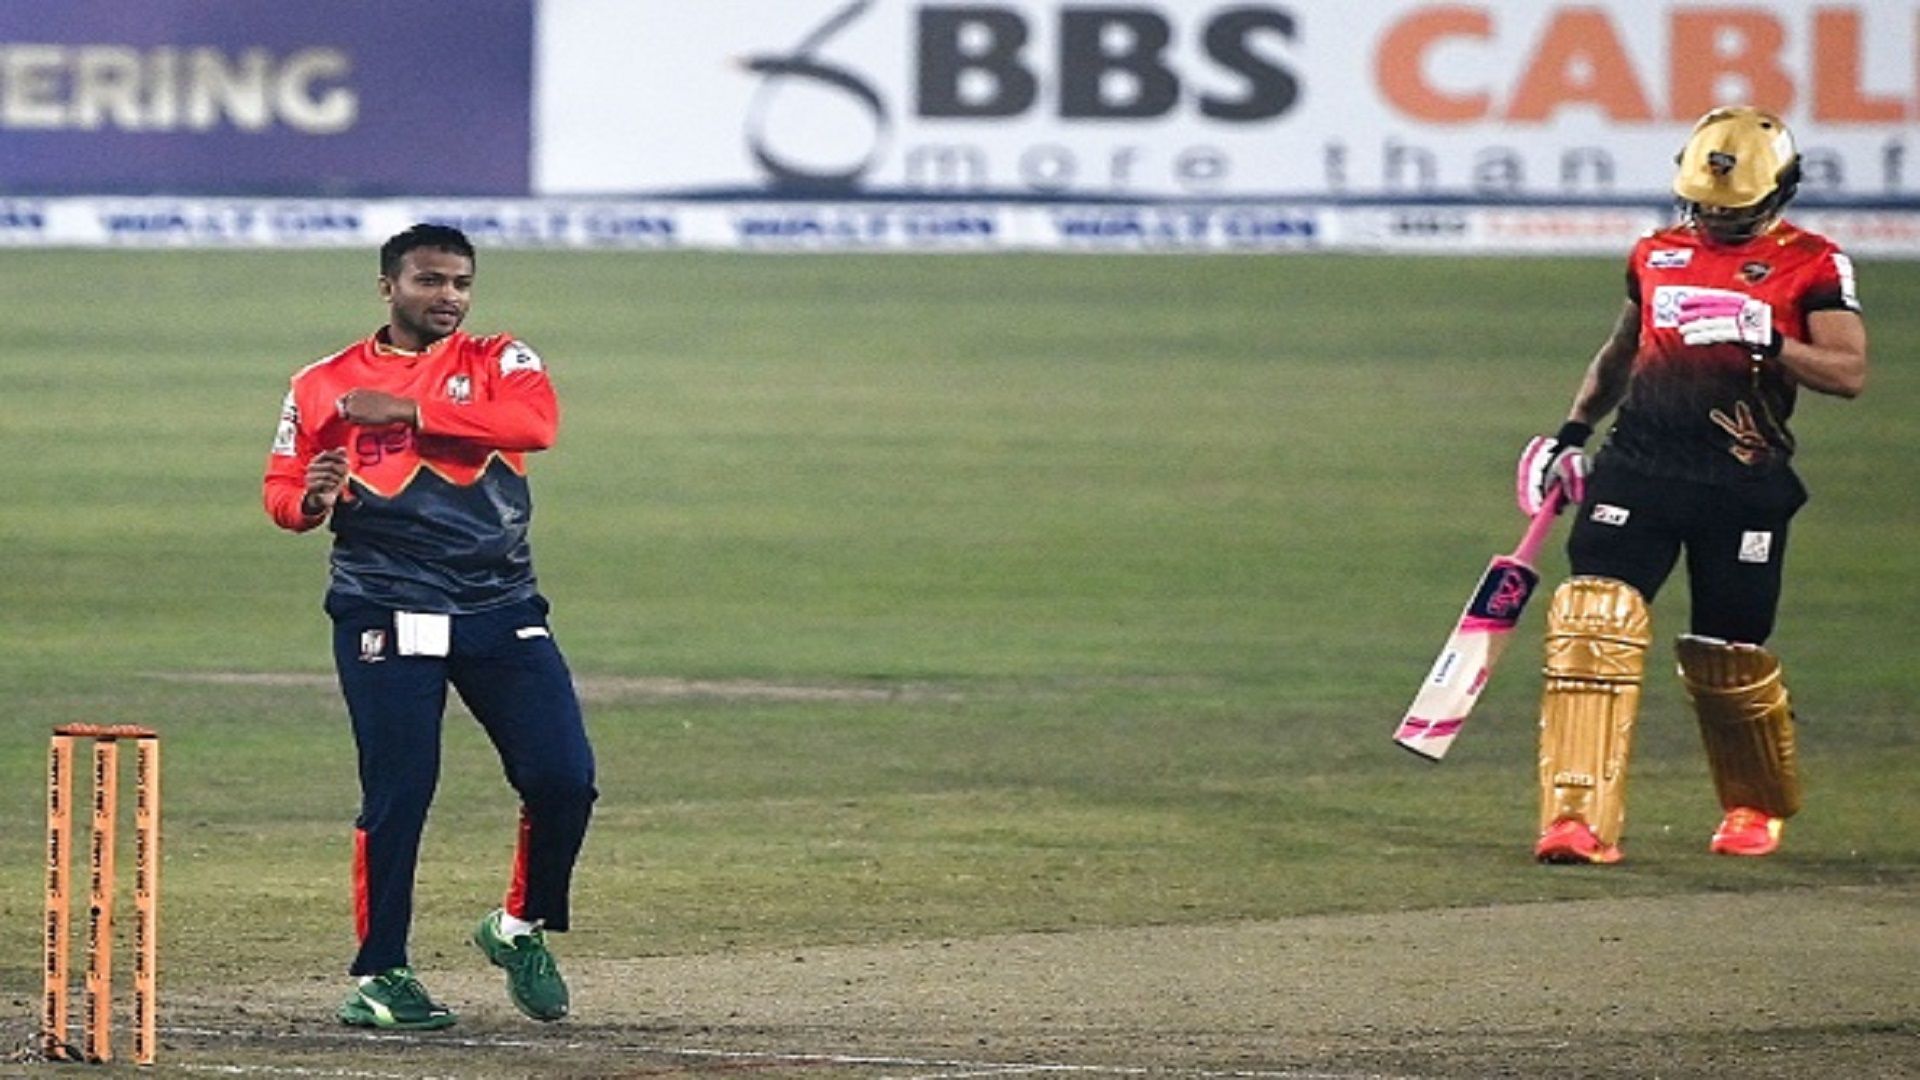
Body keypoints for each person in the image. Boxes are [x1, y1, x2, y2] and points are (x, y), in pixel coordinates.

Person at [263, 224, 597, 1027]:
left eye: (461, 283)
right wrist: (311, 500)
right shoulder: (321, 383)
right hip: (384, 605)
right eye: (430, 281)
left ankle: (517, 927)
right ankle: (382, 975)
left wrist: (408, 410)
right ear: (389, 287)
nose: (448, 296)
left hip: (499, 603)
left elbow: (535, 427)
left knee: (564, 778)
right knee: (400, 792)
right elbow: (282, 490)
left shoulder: (501, 358)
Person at [1515, 107, 1868, 865]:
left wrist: (1767, 337)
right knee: (1590, 625)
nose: (1714, 219)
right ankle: (1575, 820)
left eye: (1733, 210)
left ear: (1780, 192)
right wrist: (1571, 433)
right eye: (1703, 205)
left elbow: (1849, 373)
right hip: (1638, 468)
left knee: (1728, 654)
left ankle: (1752, 805)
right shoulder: (1656, 252)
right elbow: (1620, 352)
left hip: (1739, 485)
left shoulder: (1814, 264)